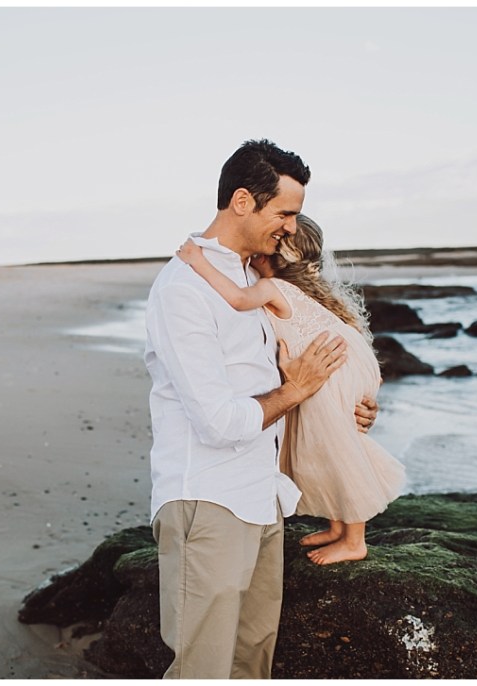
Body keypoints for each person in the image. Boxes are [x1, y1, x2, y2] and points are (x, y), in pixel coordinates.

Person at [144, 139, 378, 679]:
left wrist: (346, 409)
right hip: (208, 500)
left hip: (262, 496)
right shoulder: (184, 290)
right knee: (203, 671)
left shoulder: (258, 276)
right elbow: (219, 421)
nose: (292, 228)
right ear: (243, 201)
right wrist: (296, 390)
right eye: (285, 214)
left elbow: (290, 372)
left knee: (253, 663)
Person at [176, 214, 406, 565]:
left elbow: (237, 299)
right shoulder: (306, 292)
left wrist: (198, 261)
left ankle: (354, 540)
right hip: (348, 364)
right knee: (325, 445)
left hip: (331, 371)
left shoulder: (273, 287)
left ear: (271, 256)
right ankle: (338, 526)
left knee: (338, 447)